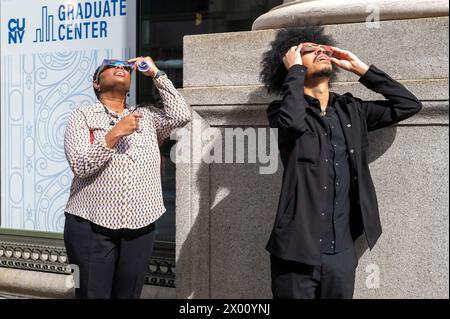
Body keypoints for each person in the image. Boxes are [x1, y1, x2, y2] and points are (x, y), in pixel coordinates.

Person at [260, 26, 422, 299]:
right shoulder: (282, 111)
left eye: (323, 48)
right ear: (291, 63)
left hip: (342, 254)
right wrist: (295, 73)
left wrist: (363, 70)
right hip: (295, 253)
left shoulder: (352, 110)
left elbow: (408, 105)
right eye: (309, 50)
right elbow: (292, 123)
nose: (321, 51)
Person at [63, 56, 191, 299]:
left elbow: (181, 115)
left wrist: (156, 74)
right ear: (96, 84)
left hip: (140, 225)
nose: (120, 68)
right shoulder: (82, 116)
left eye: (125, 67)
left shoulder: (147, 117)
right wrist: (115, 133)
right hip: (89, 225)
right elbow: (80, 165)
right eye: (112, 66)